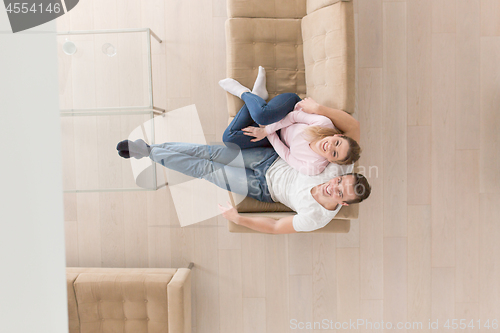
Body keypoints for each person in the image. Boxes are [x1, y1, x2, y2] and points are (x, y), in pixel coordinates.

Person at [116, 139, 371, 234]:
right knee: (209, 153)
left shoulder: (317, 218)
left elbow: (275, 226)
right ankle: (150, 149)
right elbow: (353, 135)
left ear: (343, 203)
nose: (332, 186)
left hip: (261, 188)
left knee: (206, 169)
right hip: (269, 158)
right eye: (338, 182)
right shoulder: (339, 169)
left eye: (339, 192)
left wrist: (238, 219)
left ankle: (149, 151)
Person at [219, 67, 361, 176]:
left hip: (276, 135)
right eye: (337, 143)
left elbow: (286, 155)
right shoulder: (324, 124)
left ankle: (257, 97)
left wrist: (268, 133)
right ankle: (243, 92)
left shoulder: (314, 167)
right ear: (338, 136)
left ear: (332, 161)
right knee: (263, 116)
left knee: (229, 139)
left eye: (334, 153)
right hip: (288, 110)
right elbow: (293, 117)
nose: (330, 147)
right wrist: (265, 129)